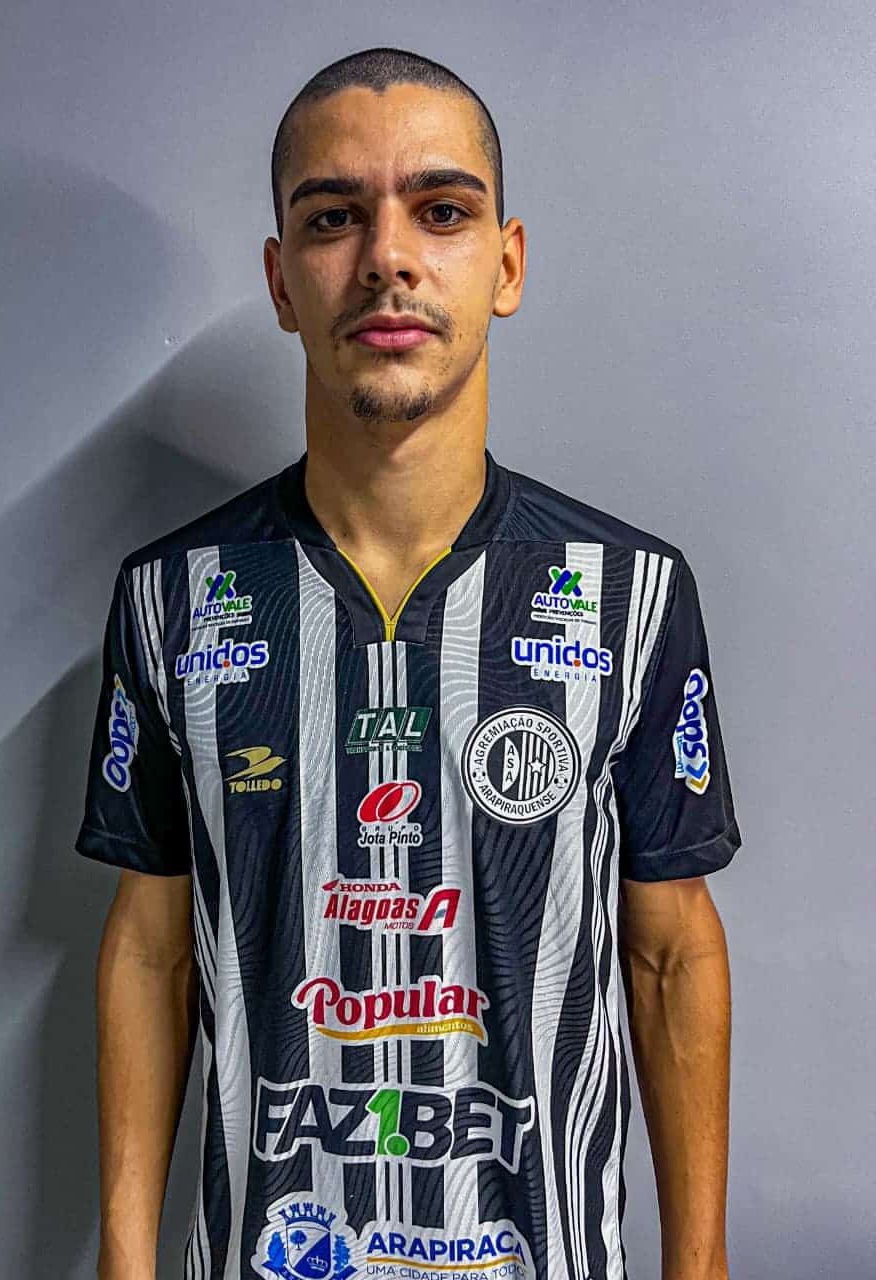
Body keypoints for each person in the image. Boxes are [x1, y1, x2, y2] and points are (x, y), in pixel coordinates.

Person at [76, 46, 741, 1280]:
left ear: (507, 264)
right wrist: (126, 1260)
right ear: (282, 280)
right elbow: (151, 947)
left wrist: (699, 1265)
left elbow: (669, 951)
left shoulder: (631, 594)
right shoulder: (173, 599)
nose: (387, 256)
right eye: (334, 217)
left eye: (440, 211)